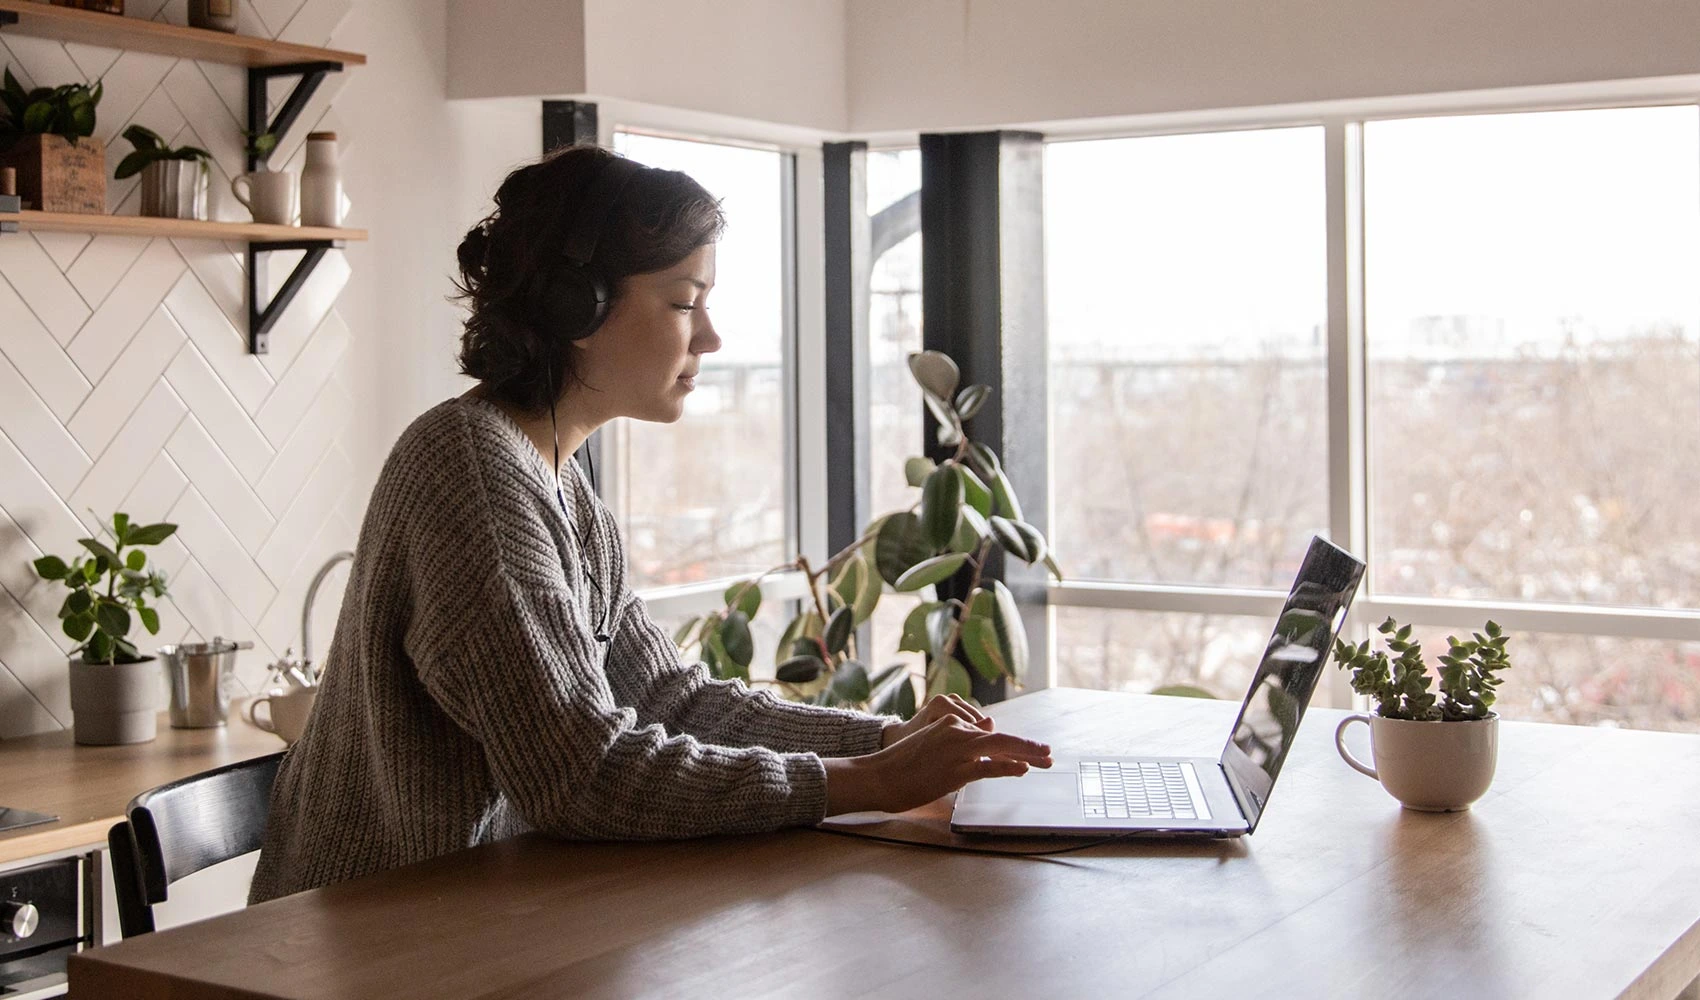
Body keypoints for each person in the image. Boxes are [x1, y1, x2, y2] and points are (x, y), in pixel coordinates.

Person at [248, 144, 1052, 903]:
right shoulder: (472, 476)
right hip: (363, 941)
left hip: (479, 913)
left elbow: (668, 699)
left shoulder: (555, 480)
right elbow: (580, 775)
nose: (710, 336)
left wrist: (883, 742)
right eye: (683, 302)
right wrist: (866, 784)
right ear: (577, 307)